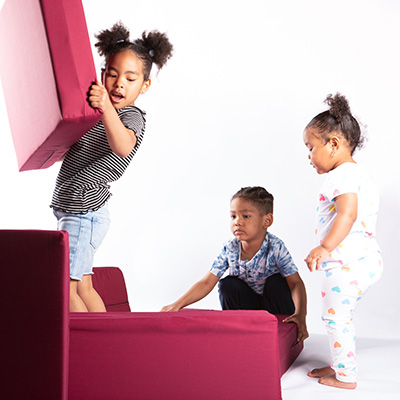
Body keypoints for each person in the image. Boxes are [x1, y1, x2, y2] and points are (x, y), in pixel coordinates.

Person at [51, 22, 173, 312]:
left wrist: (106, 107)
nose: (119, 84)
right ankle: (104, 339)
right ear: (103, 75)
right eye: (114, 75)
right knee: (83, 286)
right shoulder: (96, 112)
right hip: (76, 208)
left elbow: (123, 146)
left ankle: (87, 346)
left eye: (130, 79)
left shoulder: (131, 117)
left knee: (65, 290)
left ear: (144, 85)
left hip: (84, 210)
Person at [303, 93, 383, 389]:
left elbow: (347, 215)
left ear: (333, 145)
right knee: (341, 316)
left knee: (335, 319)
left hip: (348, 264)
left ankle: (346, 375)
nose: (308, 156)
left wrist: (324, 247)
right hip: (366, 260)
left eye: (310, 147)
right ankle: (339, 362)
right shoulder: (358, 174)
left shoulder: (342, 177)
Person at [161, 186, 309, 343]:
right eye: (233, 216)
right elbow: (206, 282)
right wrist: (178, 304)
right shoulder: (230, 248)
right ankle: (237, 332)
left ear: (267, 221)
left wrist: (301, 314)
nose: (237, 222)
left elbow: (295, 284)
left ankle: (281, 332)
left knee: (276, 282)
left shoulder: (275, 246)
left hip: (274, 307)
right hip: (249, 307)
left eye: (245, 216)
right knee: (227, 284)